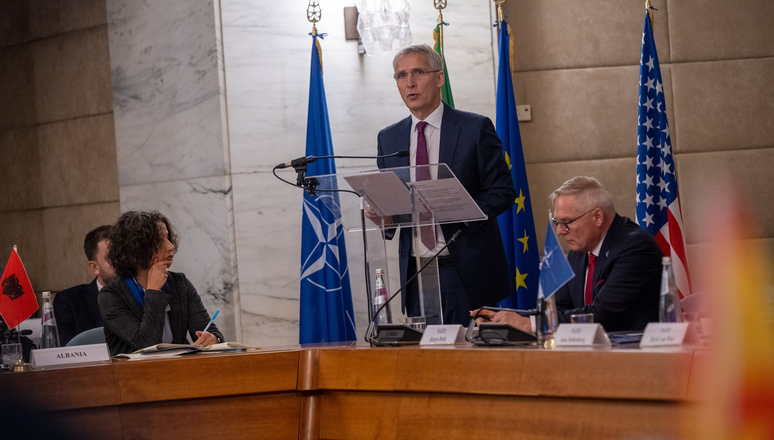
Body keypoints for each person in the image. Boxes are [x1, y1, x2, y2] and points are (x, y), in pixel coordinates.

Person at [374, 44, 516, 325]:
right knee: (427, 364)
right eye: (401, 76)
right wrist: (383, 217)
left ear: (439, 78)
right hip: (415, 273)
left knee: (470, 362)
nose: (410, 83)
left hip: (464, 271)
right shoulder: (388, 138)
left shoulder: (475, 129)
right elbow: (394, 210)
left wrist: (457, 209)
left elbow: (503, 192)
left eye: (418, 72)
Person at [474, 176, 662, 332]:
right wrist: (506, 320)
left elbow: (602, 315)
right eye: (558, 222)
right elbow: (560, 310)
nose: (560, 231)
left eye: (567, 222)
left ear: (597, 216)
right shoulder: (580, 250)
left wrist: (526, 324)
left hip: (635, 359)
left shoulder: (635, 248)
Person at [98, 211, 222, 355]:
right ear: (137, 248)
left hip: (177, 369)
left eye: (169, 238)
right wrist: (154, 291)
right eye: (160, 242)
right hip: (133, 374)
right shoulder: (111, 295)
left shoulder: (179, 283)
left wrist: (213, 339)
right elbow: (147, 345)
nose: (170, 247)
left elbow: (208, 330)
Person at [54, 225, 117, 346]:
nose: (121, 264)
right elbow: (65, 353)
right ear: (94, 267)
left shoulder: (140, 292)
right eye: (112, 259)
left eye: (123, 257)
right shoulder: (70, 301)